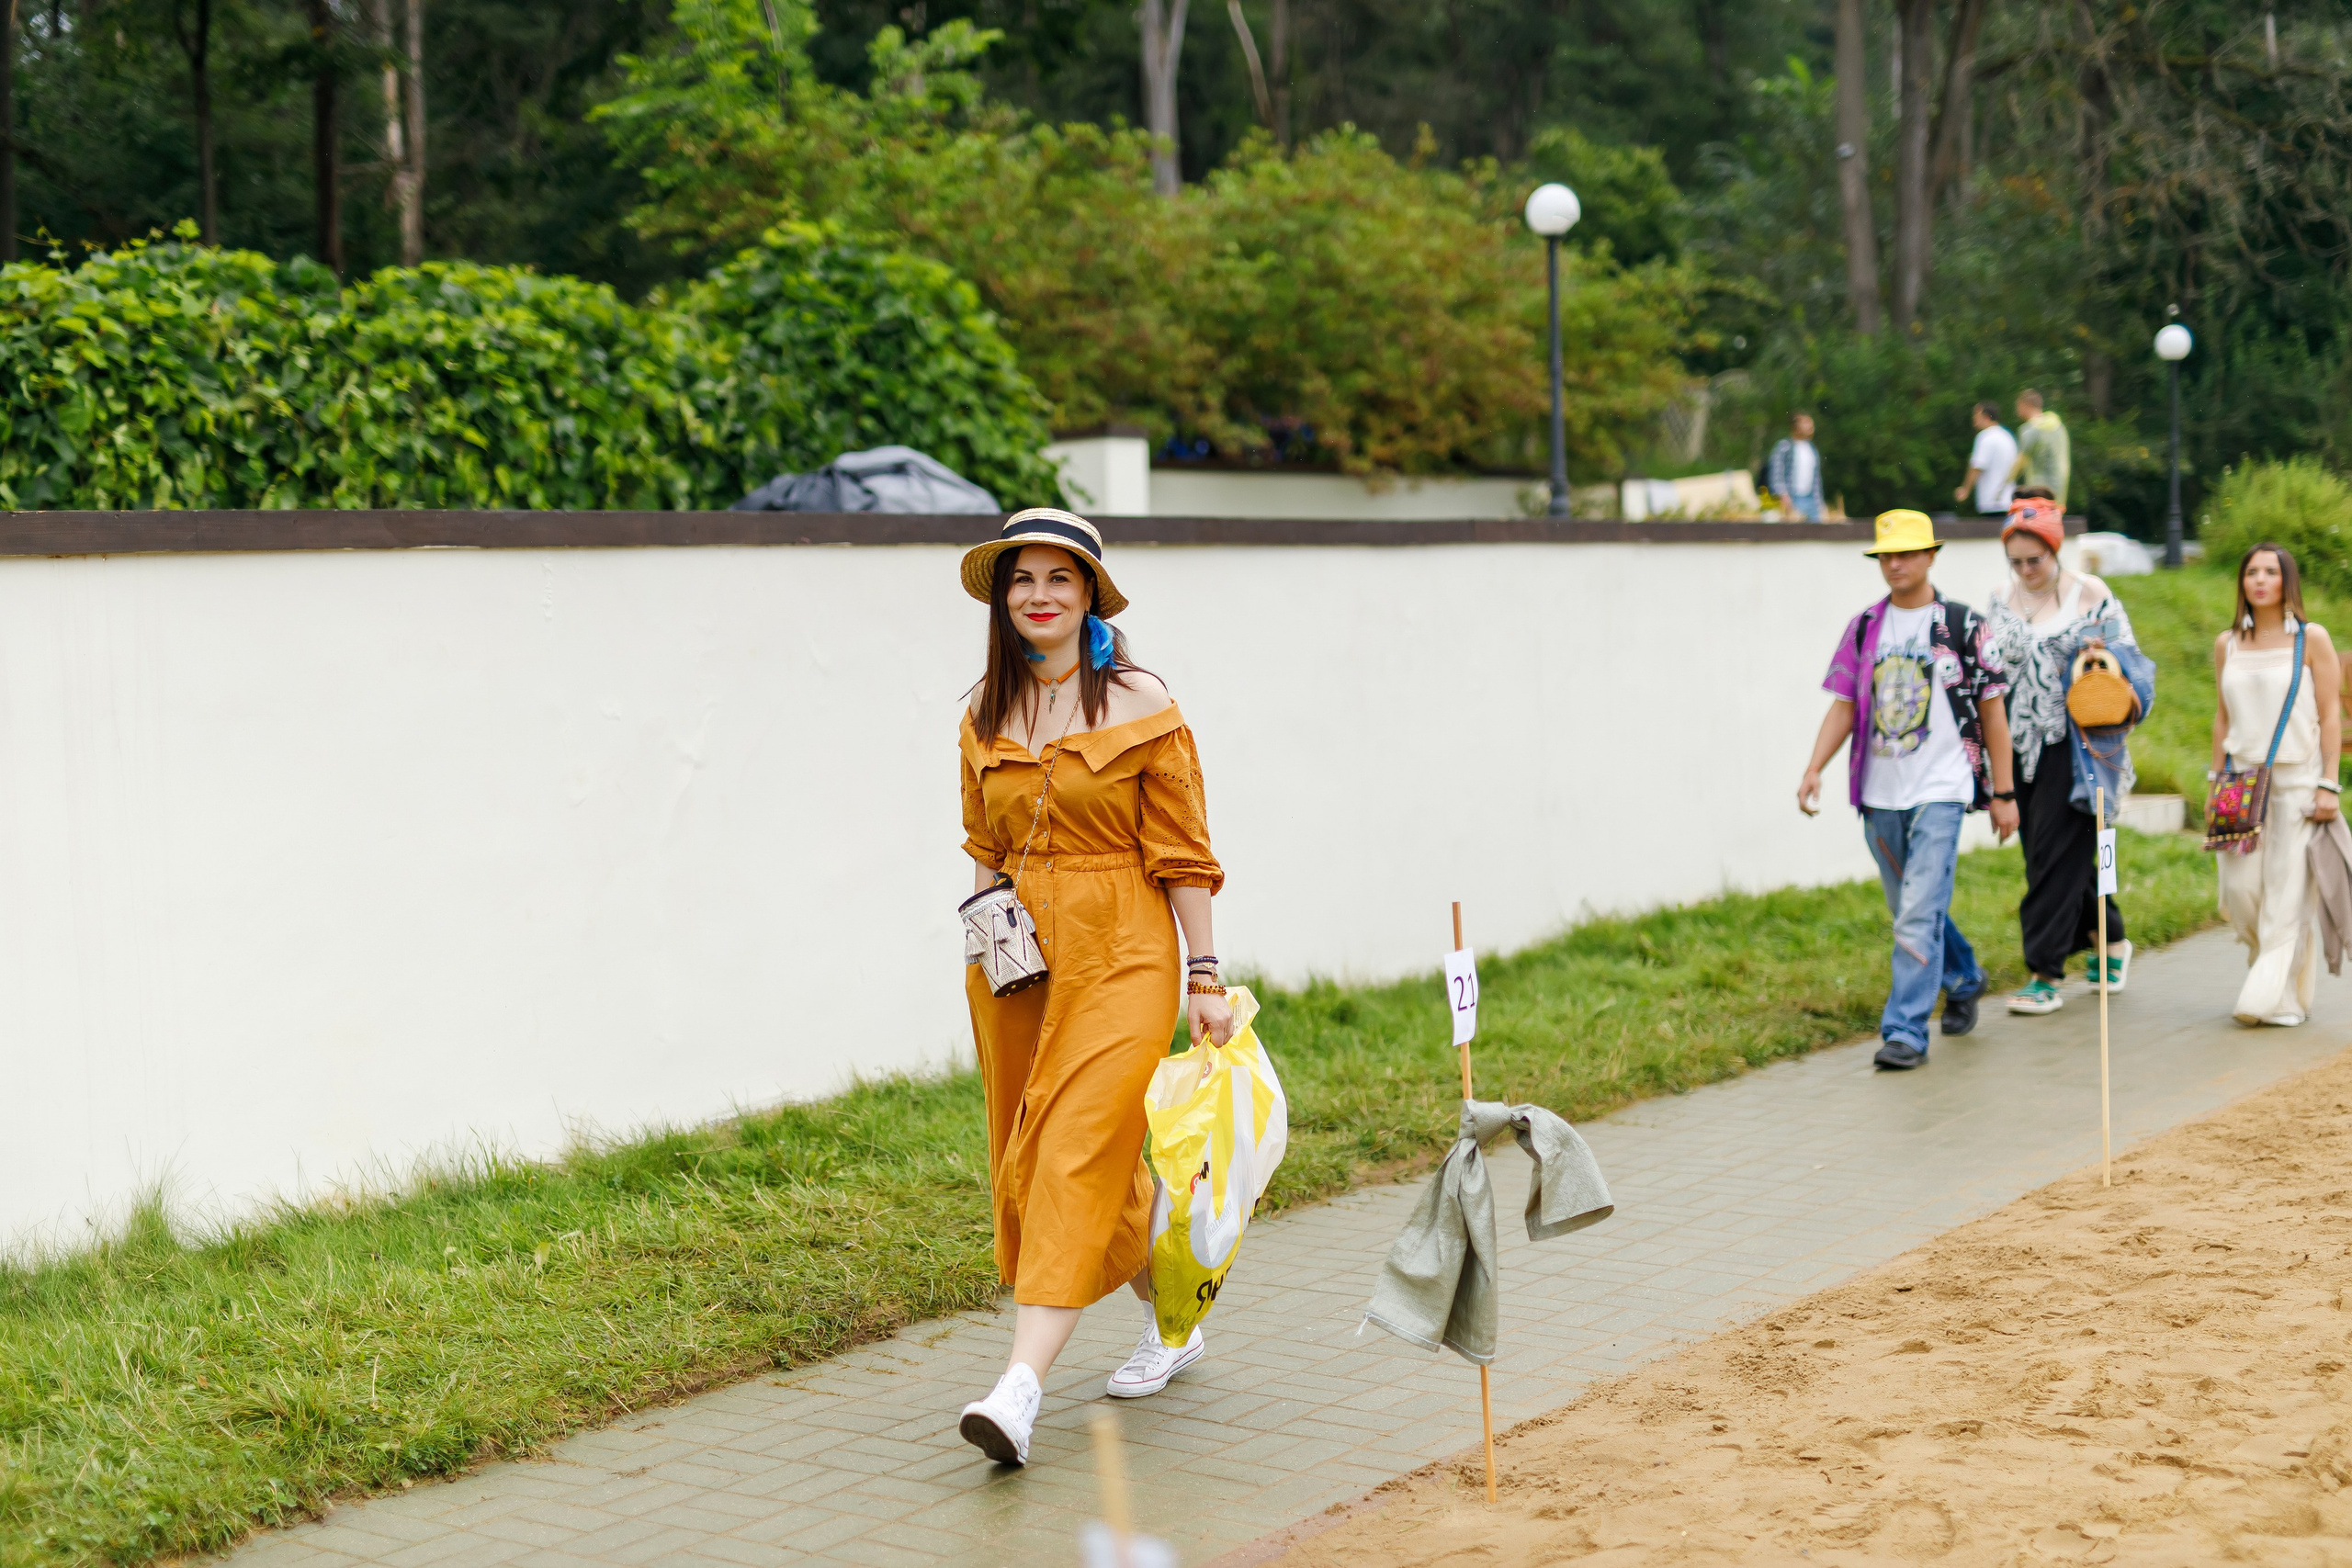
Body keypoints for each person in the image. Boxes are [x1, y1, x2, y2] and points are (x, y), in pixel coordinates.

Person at [951, 508, 1232, 1467]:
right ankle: (1175, 1314)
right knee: (1039, 1160)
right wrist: (987, 945)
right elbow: (984, 851)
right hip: (1018, 962)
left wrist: (1203, 973)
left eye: (1058, 581)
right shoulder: (983, 713)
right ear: (1004, 597)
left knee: (1073, 1147)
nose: (1038, 596)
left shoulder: (1142, 702)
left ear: (1089, 596)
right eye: (1021, 580)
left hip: (1126, 947)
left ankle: (1018, 1390)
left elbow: (1185, 853)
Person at [1798, 509, 2019, 1070]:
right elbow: (1845, 704)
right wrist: (1814, 767)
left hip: (1942, 788)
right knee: (1911, 909)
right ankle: (1964, 975)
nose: (1894, 564)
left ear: (1930, 556)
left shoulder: (1964, 626)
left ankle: (1905, 1032)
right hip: (1879, 793)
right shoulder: (1866, 627)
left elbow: (1993, 714)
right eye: (1886, 555)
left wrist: (2004, 793)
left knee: (1918, 911)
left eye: (1906, 554)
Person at [1982, 491, 2139, 1015]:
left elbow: (2130, 660)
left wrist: (2099, 656)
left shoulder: (2089, 593)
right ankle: (2110, 939)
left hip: (2074, 748)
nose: (2027, 570)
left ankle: (2044, 973)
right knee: (2051, 855)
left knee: (2053, 857)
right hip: (2016, 746)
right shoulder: (1999, 600)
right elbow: (1990, 677)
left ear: (2056, 550)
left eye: (2037, 559)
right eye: (2018, 562)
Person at [2211, 542, 2342, 1027]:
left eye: (2270, 571)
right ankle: (2272, 972)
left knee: (2287, 896)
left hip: (2297, 783)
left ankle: (2272, 997)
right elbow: (2221, 718)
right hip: (2239, 783)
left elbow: (2330, 714)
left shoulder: (2313, 640)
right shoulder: (2228, 644)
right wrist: (2214, 779)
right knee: (2242, 893)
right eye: (2251, 572)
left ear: (2287, 580)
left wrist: (2329, 783)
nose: (2260, 580)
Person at [1954, 401, 2018, 515]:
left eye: (1976, 415)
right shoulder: (2008, 436)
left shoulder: (1985, 437)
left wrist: (1965, 490)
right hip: (2009, 499)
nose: (1973, 418)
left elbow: (1977, 466)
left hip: (1991, 501)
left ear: (1986, 417)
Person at [2010, 389, 2071, 510]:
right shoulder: (2059, 427)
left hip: (2037, 491)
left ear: (2025, 405)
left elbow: (2021, 461)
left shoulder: (2029, 429)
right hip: (2059, 487)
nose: (2017, 410)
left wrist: (2005, 482)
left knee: (2038, 522)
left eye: (2018, 406)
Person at [1767, 412, 1826, 522]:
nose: (1810, 426)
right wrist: (1783, 496)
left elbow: (1816, 479)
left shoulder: (1812, 449)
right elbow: (1776, 473)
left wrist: (1820, 503)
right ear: (1795, 426)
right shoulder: (1784, 446)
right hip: (1792, 498)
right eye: (1806, 422)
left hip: (1811, 500)